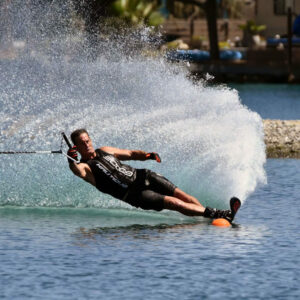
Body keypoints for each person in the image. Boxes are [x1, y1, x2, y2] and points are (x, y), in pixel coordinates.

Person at [67, 129, 240, 222]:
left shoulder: (104, 150)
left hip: (144, 176)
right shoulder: (85, 167)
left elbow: (131, 153)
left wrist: (148, 155)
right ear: (77, 147)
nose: (87, 144)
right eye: (82, 143)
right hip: (135, 195)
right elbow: (77, 171)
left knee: (182, 195)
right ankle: (220, 214)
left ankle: (207, 217)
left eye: (88, 140)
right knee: (175, 203)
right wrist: (71, 160)